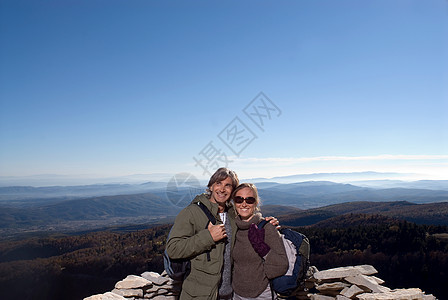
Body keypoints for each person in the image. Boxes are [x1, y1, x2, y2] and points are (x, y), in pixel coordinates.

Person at [165, 168, 279, 300]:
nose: (222, 189)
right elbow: (173, 248)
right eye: (218, 183)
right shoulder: (192, 212)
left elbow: (248, 221)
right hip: (199, 295)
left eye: (228, 185)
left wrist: (266, 223)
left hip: (229, 294)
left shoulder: (233, 214)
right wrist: (208, 237)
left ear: (233, 191)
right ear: (211, 186)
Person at [231, 183, 288, 300]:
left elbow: (282, 265)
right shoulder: (233, 227)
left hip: (262, 294)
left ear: (256, 203)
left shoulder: (267, 228)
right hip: (237, 293)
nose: (244, 204)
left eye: (249, 200)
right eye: (239, 199)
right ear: (234, 203)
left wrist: (262, 249)